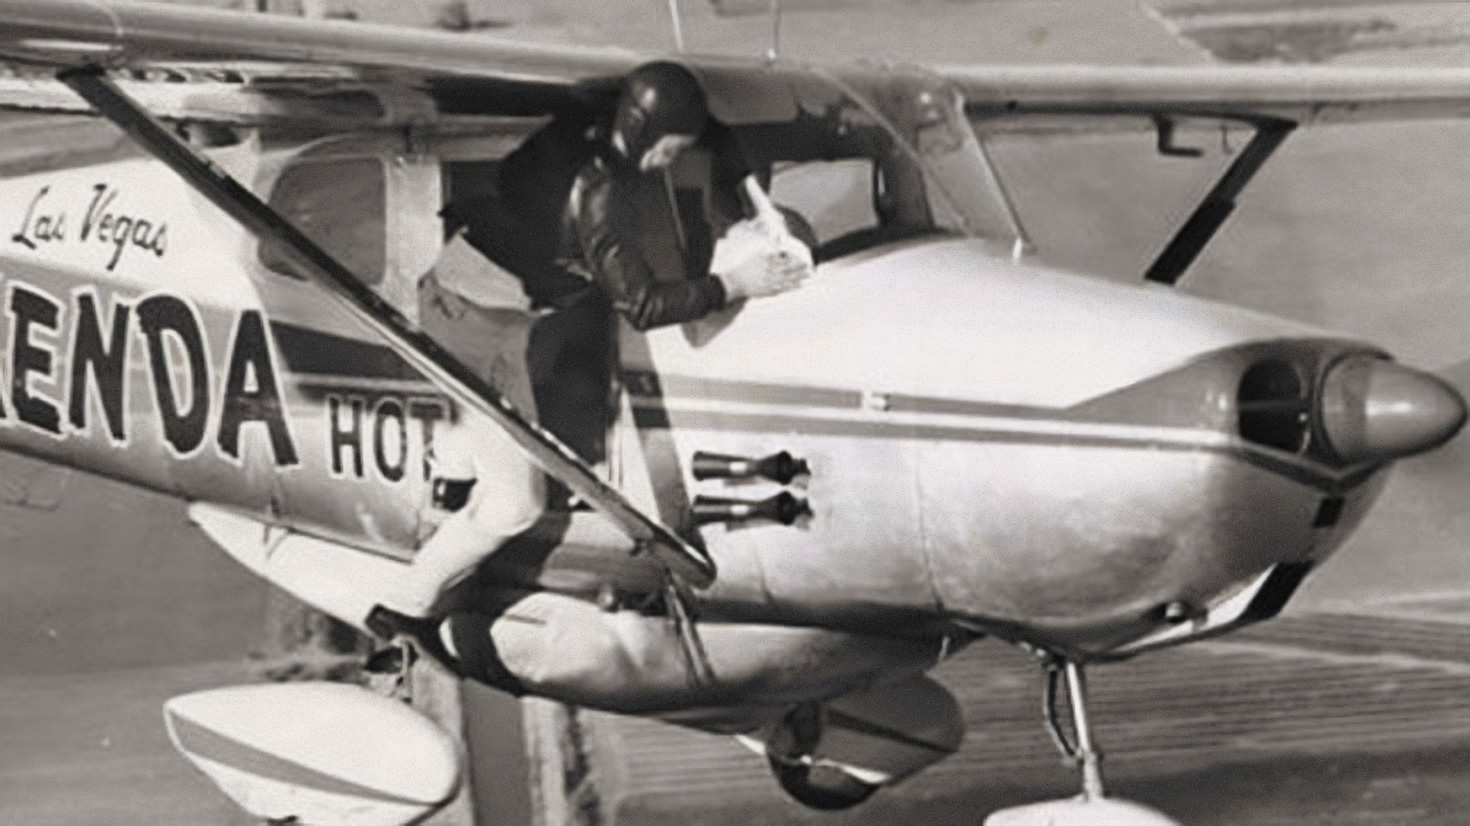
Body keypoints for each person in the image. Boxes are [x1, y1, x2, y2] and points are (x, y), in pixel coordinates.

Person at [559, 61, 812, 332]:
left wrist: (762, 204)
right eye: (669, 152)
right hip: (572, 291)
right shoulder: (601, 196)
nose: (671, 162)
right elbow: (641, 307)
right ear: (638, 131)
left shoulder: (632, 124)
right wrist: (734, 284)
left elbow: (717, 136)